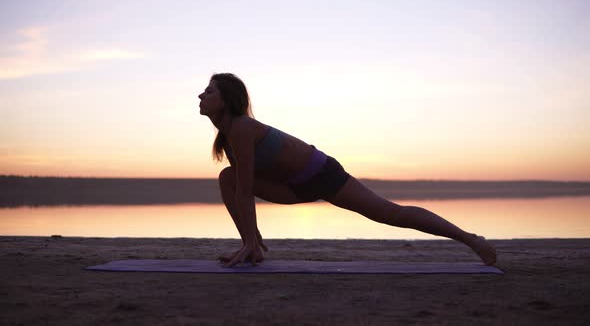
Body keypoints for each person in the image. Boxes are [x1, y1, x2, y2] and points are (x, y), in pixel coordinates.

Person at [198, 72, 497, 268]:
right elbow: (242, 187)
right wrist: (251, 237)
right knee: (228, 177)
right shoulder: (228, 137)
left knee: (390, 213)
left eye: (209, 92)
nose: (201, 96)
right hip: (293, 187)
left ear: (227, 100)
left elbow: (247, 189)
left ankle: (473, 240)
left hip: (323, 174)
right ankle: (254, 248)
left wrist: (250, 236)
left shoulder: (242, 128)